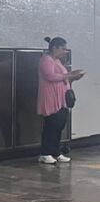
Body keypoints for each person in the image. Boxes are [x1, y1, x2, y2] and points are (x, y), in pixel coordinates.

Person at [37, 36, 84, 165]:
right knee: (51, 125)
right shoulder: (46, 60)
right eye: (63, 48)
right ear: (54, 48)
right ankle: (45, 153)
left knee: (59, 126)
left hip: (61, 98)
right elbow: (50, 76)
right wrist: (69, 75)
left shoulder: (57, 61)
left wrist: (74, 76)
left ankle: (55, 151)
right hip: (51, 98)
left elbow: (63, 78)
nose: (65, 51)